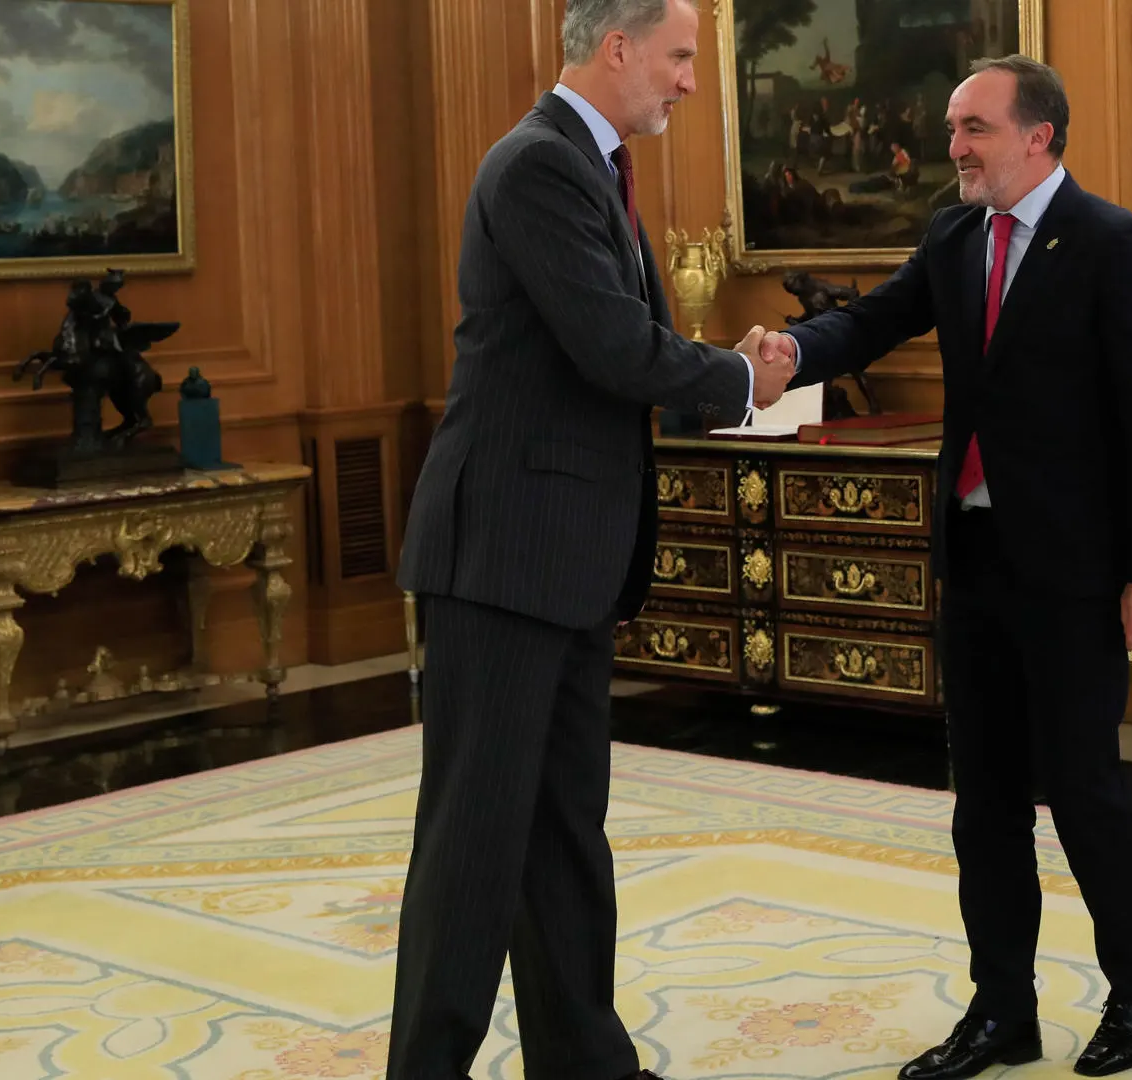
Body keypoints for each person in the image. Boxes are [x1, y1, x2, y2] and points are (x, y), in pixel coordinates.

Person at [759, 55, 1132, 1079]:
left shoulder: (1114, 243)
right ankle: (1004, 1011)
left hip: (1078, 569)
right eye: (953, 127)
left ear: (1038, 136)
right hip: (978, 557)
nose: (954, 146)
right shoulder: (953, 236)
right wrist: (782, 352)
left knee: (1084, 792)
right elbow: (869, 322)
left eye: (974, 128)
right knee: (983, 799)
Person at [388, 0, 795, 1076]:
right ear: (617, 49)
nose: (691, 81)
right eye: (680, 56)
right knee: (474, 848)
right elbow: (617, 348)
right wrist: (736, 382)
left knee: (564, 833)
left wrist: (717, 370)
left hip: (561, 563)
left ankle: (584, 1066)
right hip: (504, 560)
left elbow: (627, 343)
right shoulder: (538, 167)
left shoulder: (587, 164)